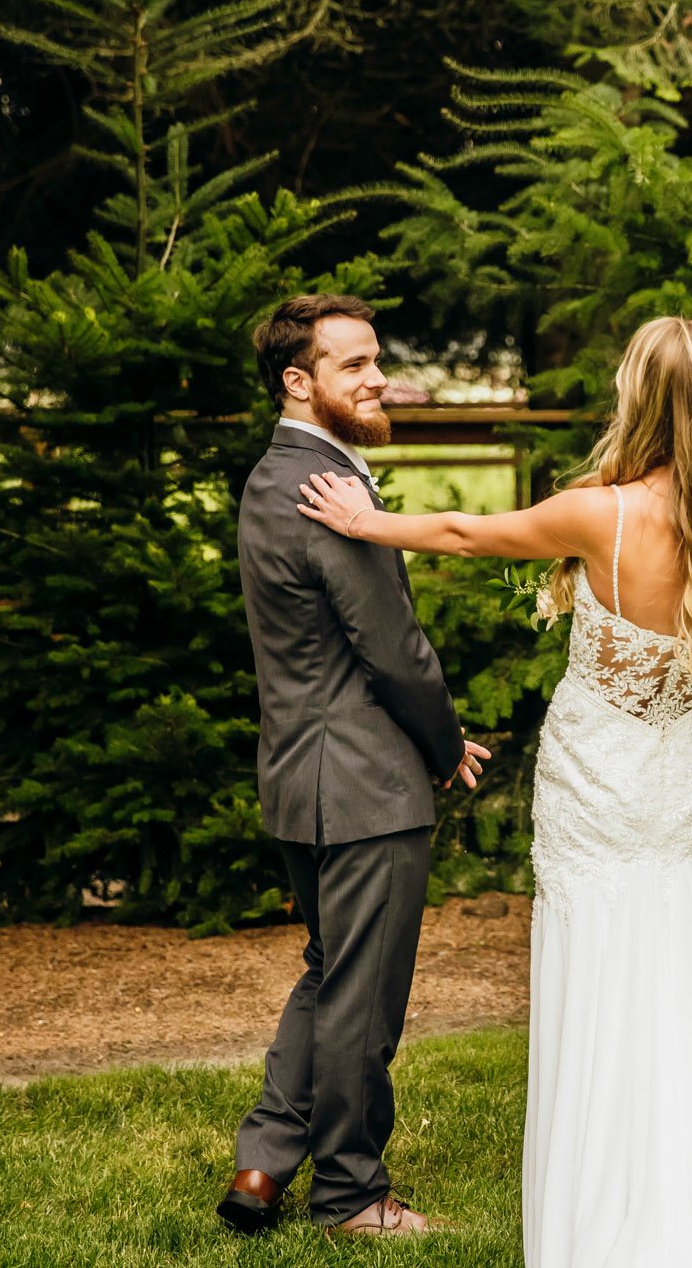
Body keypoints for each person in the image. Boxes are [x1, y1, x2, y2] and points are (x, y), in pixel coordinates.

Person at [297, 315, 692, 1265]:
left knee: (606, 958)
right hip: (691, 774)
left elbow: (463, 532)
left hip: (600, 781)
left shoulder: (598, 513)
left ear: (637, 398)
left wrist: (365, 521)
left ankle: (613, 1204)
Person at [219, 293, 491, 1239]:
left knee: (328, 974)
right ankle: (351, 1195)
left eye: (378, 360)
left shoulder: (267, 476)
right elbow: (395, 648)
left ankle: (263, 1164)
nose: (378, 379)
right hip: (366, 786)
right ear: (300, 382)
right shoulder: (331, 491)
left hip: (298, 776)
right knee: (363, 1002)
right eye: (354, 366)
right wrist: (445, 743)